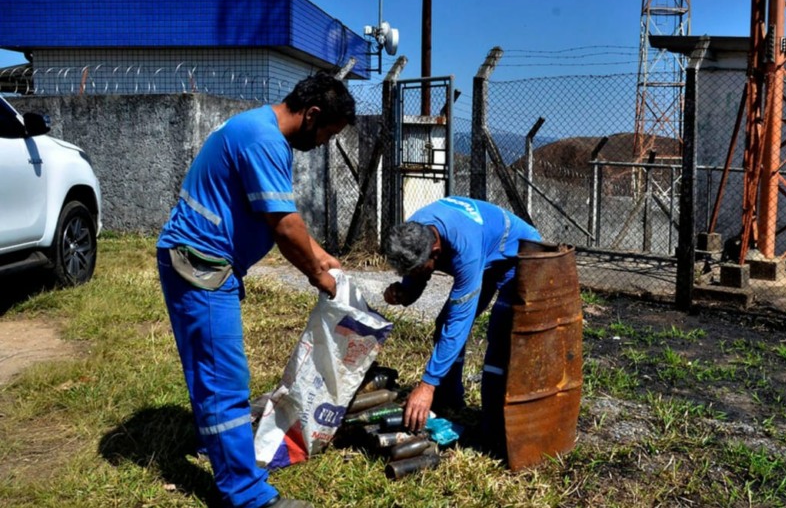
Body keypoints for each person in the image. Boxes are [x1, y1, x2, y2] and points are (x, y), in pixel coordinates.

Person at [156, 71, 355, 508]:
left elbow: (277, 212)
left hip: (196, 260)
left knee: (210, 373)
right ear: (312, 115)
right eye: (327, 133)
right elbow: (285, 227)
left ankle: (217, 447)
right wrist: (319, 278)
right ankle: (244, 494)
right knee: (225, 381)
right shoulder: (264, 140)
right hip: (201, 267)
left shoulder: (256, 127)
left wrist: (320, 254)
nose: (324, 143)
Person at [382, 196, 541, 455]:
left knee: (500, 335)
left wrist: (426, 385)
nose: (413, 275)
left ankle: (495, 425)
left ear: (435, 252)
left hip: (518, 255)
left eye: (417, 270)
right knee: (443, 323)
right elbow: (418, 279)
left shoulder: (463, 248)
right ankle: (449, 400)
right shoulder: (416, 231)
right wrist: (404, 293)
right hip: (485, 253)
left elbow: (460, 323)